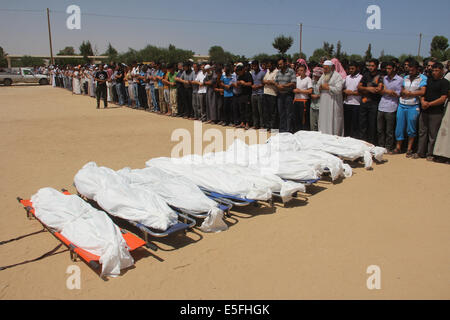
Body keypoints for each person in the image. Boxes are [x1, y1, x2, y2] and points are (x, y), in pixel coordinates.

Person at [393, 59, 427, 157]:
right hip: (402, 104)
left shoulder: (422, 78)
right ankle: (398, 147)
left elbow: (423, 91)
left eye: (412, 69)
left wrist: (411, 93)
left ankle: (409, 149)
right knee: (399, 126)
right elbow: (402, 89)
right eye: (409, 70)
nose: (410, 71)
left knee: (411, 127)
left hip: (413, 105)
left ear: (417, 69)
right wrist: (404, 92)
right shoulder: (405, 77)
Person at [415, 62, 449, 160]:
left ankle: (430, 154)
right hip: (424, 110)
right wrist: (422, 102)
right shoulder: (428, 81)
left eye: (437, 70)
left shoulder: (445, 83)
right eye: (433, 70)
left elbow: (443, 98)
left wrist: (429, 104)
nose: (434, 72)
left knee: (433, 134)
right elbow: (423, 93)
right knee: (422, 132)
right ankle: (420, 152)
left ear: (442, 71)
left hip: (436, 112)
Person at [377, 61, 403, 152]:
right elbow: (379, 91)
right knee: (380, 129)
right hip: (382, 105)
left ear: (394, 69)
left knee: (389, 130)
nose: (387, 70)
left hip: (392, 106)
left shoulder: (400, 80)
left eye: (389, 68)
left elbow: (398, 94)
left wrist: (386, 91)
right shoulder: (384, 78)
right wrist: (388, 92)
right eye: (387, 69)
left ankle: (388, 147)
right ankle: (381, 146)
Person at [358, 58, 382, 144]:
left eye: (372, 66)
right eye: (369, 66)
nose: (370, 67)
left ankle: (371, 143)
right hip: (364, 102)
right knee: (362, 124)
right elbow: (359, 87)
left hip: (374, 103)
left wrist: (366, 89)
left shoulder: (380, 76)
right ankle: (362, 142)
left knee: (372, 124)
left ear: (376, 66)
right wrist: (368, 88)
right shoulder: (366, 75)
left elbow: (378, 89)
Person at [317, 60, 344, 136]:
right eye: (324, 68)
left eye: (326, 68)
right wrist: (320, 87)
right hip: (324, 102)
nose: (324, 70)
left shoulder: (337, 76)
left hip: (333, 102)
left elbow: (339, 89)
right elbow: (317, 86)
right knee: (323, 119)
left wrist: (328, 87)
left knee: (333, 120)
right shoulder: (323, 76)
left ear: (331, 68)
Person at [274, 57, 296, 132]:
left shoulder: (291, 71)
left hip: (288, 95)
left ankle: (289, 130)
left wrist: (284, 86)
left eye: (281, 64)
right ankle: (282, 130)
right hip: (280, 95)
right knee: (281, 113)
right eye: (278, 64)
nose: (279, 65)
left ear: (285, 63)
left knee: (289, 113)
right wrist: (277, 86)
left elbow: (293, 83)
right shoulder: (278, 72)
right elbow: (276, 82)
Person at [343, 61, 362, 137]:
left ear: (357, 68)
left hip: (356, 104)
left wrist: (352, 93)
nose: (351, 70)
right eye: (350, 69)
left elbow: (361, 92)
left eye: (352, 68)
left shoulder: (360, 78)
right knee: (347, 123)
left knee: (355, 124)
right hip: (347, 103)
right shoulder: (347, 77)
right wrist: (345, 91)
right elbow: (342, 88)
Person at [293, 64, 312, 132]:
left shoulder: (308, 79)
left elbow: (310, 91)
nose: (300, 72)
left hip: (304, 101)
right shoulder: (296, 78)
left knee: (303, 119)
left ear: (305, 71)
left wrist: (300, 91)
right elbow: (293, 88)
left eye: (302, 70)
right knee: (296, 118)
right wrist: (294, 90)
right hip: (296, 100)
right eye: (299, 70)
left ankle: (303, 133)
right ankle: (296, 132)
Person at [235, 65, 254, 129]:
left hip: (248, 94)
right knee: (241, 109)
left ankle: (248, 123)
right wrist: (238, 83)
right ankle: (242, 122)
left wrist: (244, 83)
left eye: (239, 71)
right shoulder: (240, 76)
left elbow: (250, 84)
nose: (238, 73)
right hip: (241, 94)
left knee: (247, 109)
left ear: (243, 70)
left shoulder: (248, 74)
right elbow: (237, 83)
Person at [262, 59, 279, 130]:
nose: (268, 66)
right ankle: (268, 125)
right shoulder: (268, 71)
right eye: (268, 65)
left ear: (273, 65)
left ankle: (273, 126)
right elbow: (263, 80)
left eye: (269, 65)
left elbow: (274, 82)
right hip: (266, 92)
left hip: (273, 94)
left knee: (273, 111)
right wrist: (268, 81)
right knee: (266, 111)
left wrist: (268, 81)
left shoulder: (277, 72)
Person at [250, 60, 266, 129]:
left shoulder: (262, 73)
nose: (254, 67)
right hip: (253, 94)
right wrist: (252, 86)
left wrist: (258, 86)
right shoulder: (252, 73)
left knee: (261, 111)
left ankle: (262, 125)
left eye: (255, 66)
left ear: (258, 65)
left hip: (260, 93)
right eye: (252, 66)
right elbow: (250, 82)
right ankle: (256, 125)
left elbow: (264, 83)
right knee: (254, 111)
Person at [310, 67, 323, 131]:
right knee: (312, 125)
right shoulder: (312, 82)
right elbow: (309, 91)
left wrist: (318, 96)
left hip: (321, 107)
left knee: (320, 125)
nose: (314, 77)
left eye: (316, 76)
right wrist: (311, 95)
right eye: (314, 75)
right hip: (313, 106)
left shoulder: (323, 83)